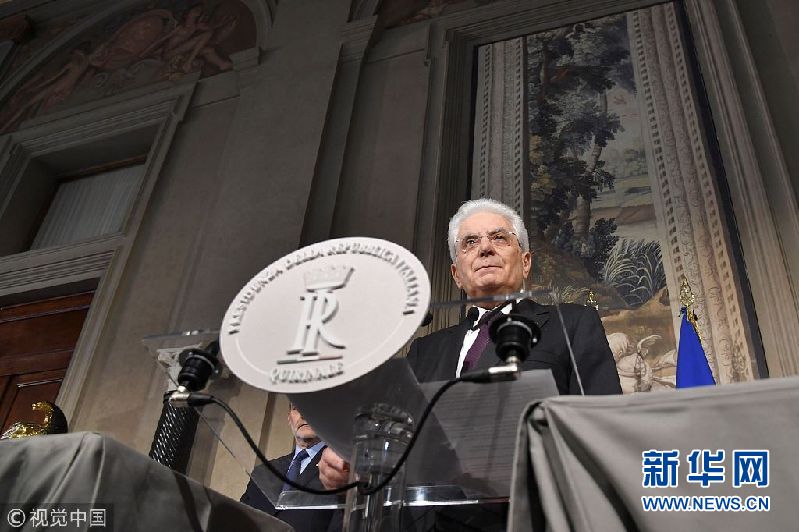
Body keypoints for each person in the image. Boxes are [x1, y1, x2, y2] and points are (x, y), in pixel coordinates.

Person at [318, 198, 621, 529]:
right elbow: (395, 443)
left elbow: (602, 427)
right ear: (456, 275)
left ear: (526, 262)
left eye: (499, 238)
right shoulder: (424, 350)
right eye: (470, 242)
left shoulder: (571, 323)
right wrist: (354, 463)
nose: (485, 249)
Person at [241, 403, 337, 532]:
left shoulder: (339, 471)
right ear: (289, 418)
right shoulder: (263, 472)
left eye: (312, 407)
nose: (303, 415)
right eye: (296, 408)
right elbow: (238, 521)